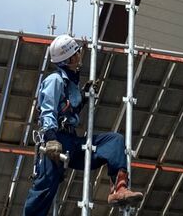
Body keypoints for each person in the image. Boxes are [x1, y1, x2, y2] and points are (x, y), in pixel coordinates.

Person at [23, 34, 144, 215]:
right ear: (70, 58)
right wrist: (50, 138)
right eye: (77, 52)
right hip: (57, 140)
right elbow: (47, 110)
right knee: (46, 186)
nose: (79, 54)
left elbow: (70, 111)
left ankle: (119, 188)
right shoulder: (55, 80)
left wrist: (85, 96)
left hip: (71, 141)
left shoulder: (71, 82)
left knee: (114, 141)